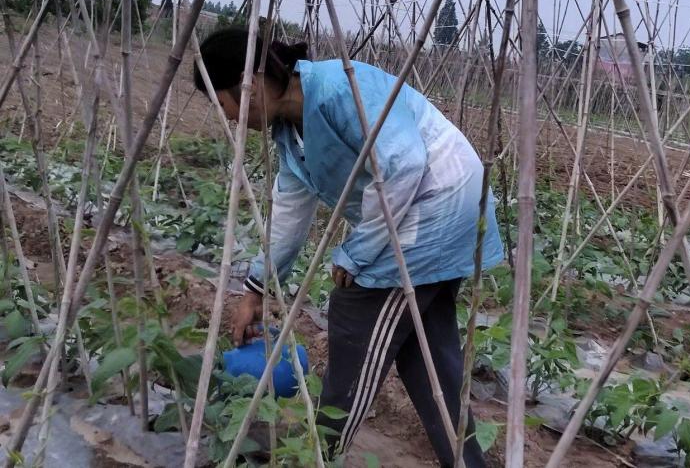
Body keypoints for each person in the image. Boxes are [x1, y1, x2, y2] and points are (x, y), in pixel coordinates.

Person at [193, 27, 505, 467]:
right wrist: (257, 288)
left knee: (355, 319)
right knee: (426, 360)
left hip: (436, 205)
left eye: (221, 102)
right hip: (433, 213)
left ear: (248, 83)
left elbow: (403, 166)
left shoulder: (341, 88)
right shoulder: (291, 130)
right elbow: (290, 210)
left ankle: (319, 456)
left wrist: (357, 251)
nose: (226, 115)